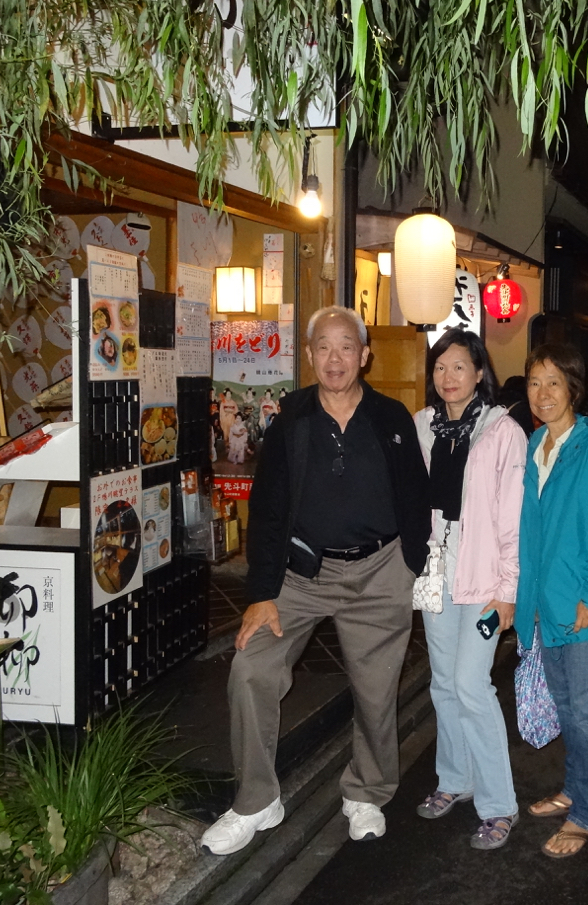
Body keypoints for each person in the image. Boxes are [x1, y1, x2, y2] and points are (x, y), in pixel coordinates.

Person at [201, 306, 430, 855]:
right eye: (323, 347)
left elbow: (415, 494)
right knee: (251, 669)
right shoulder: (291, 419)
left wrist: (413, 566)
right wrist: (261, 593)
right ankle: (257, 800)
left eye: (346, 346)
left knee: (376, 691)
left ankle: (367, 791)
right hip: (301, 575)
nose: (335, 358)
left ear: (364, 355)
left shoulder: (391, 417)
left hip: (379, 571)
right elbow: (268, 508)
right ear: (309, 355)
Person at [516, 343, 588, 859]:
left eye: (553, 383)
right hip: (548, 600)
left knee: (585, 709)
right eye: (534, 382)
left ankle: (586, 814)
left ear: (573, 390)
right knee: (565, 704)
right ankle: (573, 788)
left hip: (585, 602)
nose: (542, 394)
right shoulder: (536, 443)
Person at [412, 330, 526, 850]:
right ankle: (455, 779)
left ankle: (499, 805)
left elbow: (512, 520)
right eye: (440, 367)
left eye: (459, 367)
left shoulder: (502, 432)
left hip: (485, 581)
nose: (448, 377)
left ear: (480, 372)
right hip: (437, 573)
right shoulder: (422, 425)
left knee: (471, 685)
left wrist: (508, 591)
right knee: (442, 683)